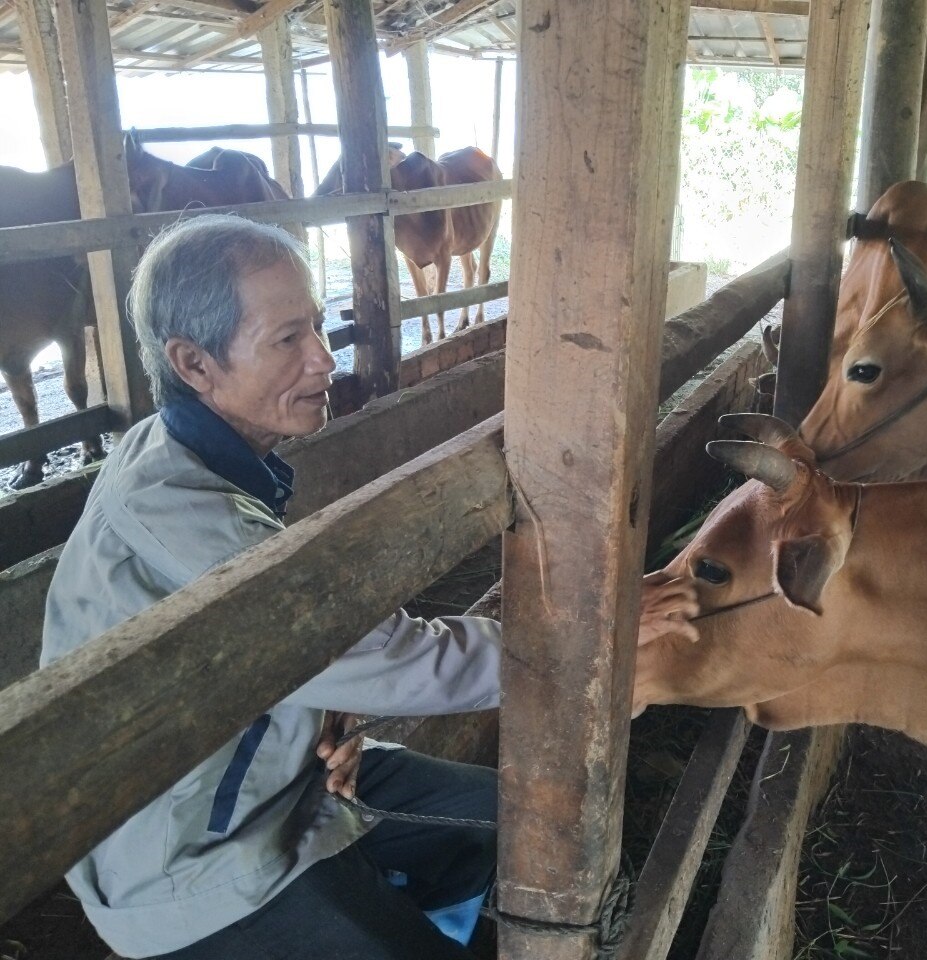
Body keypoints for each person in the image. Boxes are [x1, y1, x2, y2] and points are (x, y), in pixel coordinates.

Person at [41, 214, 699, 960]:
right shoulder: (181, 510)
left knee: (523, 821)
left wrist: (320, 715)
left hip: (285, 784)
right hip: (198, 860)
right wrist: (592, 636)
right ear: (194, 363)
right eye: (288, 340)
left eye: (318, 328)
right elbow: (386, 658)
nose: (324, 360)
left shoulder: (194, 454)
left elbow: (292, 652)